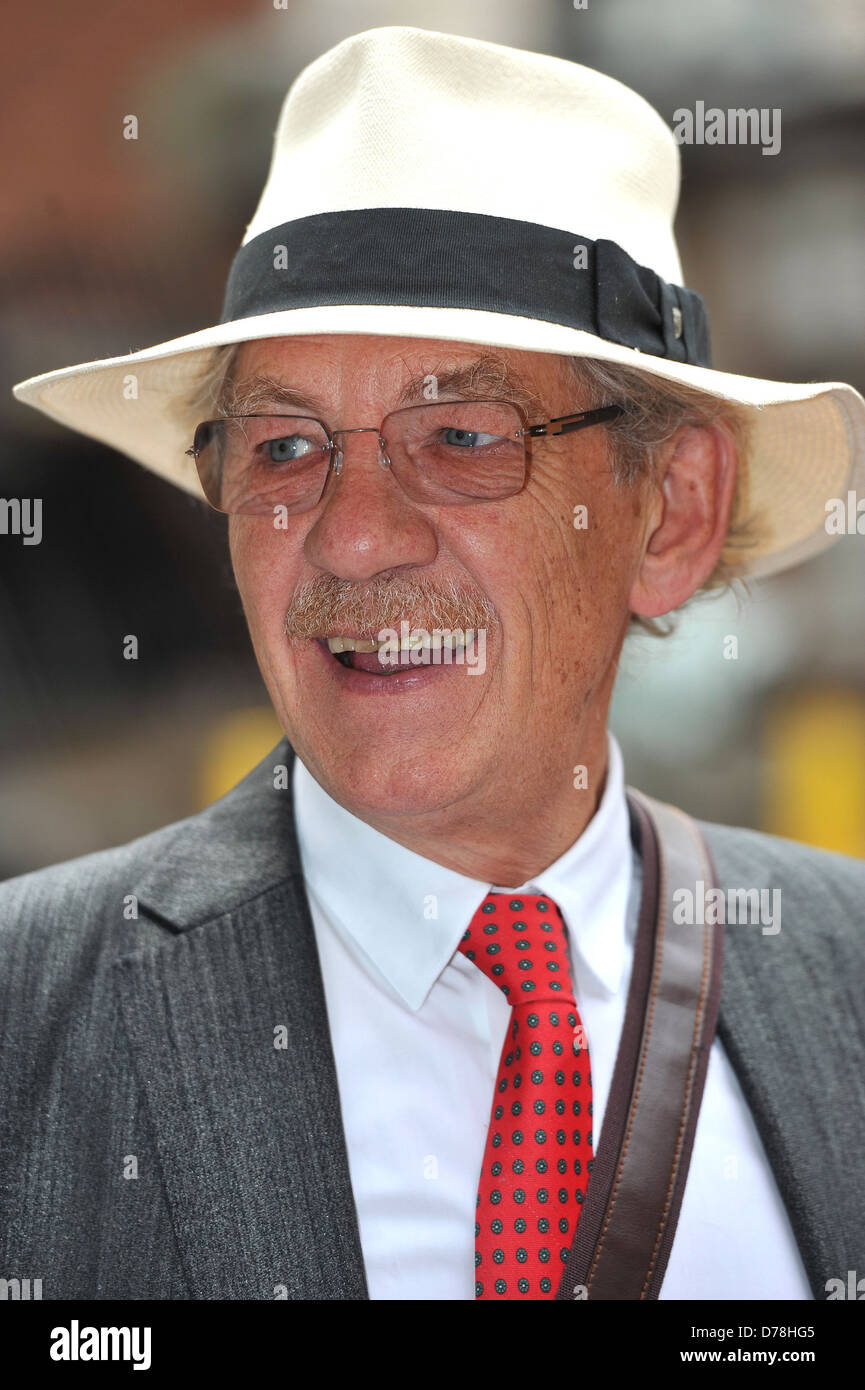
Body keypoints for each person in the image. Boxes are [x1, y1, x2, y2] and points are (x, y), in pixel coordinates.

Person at [2, 25, 864, 1302]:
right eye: (283, 448)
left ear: (669, 512)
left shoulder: (841, 980)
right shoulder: (29, 1019)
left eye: (461, 434)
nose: (351, 534)